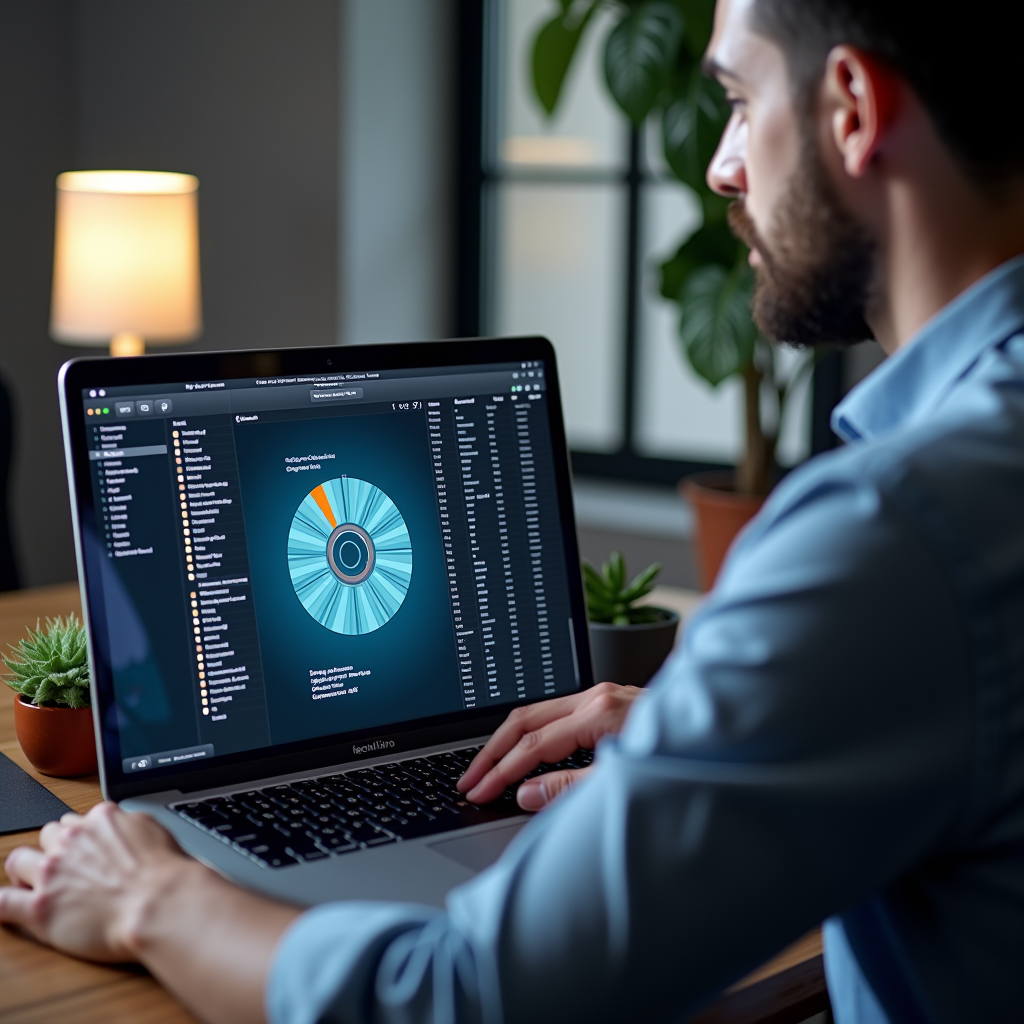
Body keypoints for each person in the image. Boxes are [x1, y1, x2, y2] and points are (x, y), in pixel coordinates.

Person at [3, 0, 1023, 1020]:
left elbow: (465, 999)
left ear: (850, 109)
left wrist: (154, 894)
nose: (720, 165)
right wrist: (703, 747)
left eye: (739, 99)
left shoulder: (892, 530)